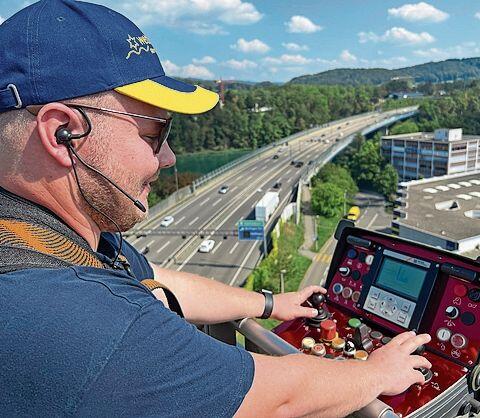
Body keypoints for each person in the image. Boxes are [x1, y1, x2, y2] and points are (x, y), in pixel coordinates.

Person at [0, 1, 431, 417]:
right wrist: (375, 373)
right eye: (155, 133)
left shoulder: (49, 240)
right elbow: (278, 400)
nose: (168, 157)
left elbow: (153, 279)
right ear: (62, 134)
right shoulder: (84, 321)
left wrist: (269, 303)